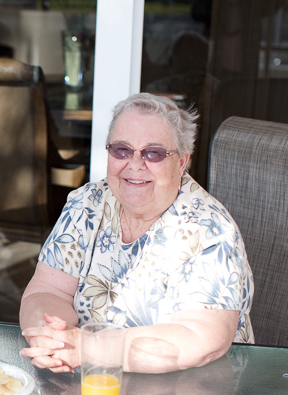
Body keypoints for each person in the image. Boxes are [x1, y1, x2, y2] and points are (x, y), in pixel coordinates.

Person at [19, 92, 254, 374]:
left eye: (153, 153)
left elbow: (201, 339)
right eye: (122, 149)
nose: (135, 163)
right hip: (92, 382)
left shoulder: (209, 230)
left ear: (181, 162)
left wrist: (86, 348)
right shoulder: (88, 204)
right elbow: (48, 289)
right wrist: (51, 338)